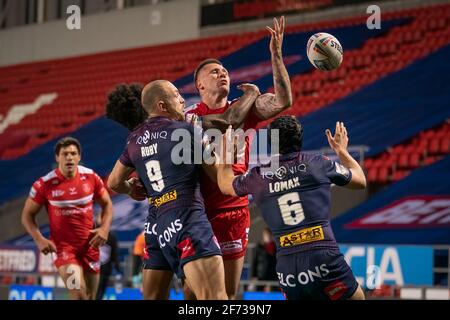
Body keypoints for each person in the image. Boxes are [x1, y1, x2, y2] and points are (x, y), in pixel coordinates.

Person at [105, 82, 259, 299]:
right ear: (162, 105)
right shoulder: (186, 131)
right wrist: (227, 158)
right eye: (176, 95)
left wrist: (131, 189)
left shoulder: (133, 140)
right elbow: (220, 179)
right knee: (216, 297)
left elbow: (113, 182)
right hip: (187, 218)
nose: (183, 100)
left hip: (156, 226)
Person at [185, 16, 293, 299]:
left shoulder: (243, 108)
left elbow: (284, 101)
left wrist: (276, 56)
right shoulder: (190, 116)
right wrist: (252, 95)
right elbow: (227, 120)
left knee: (229, 292)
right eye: (214, 72)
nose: (222, 74)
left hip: (234, 209)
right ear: (199, 85)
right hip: (199, 212)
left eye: (224, 71)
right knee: (193, 292)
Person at [217, 118, 366, 300]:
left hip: (288, 268)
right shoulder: (318, 163)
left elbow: (225, 185)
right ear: (300, 138)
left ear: (272, 142)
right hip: (322, 257)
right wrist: (341, 151)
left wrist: (225, 157)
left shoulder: (258, 176)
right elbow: (360, 181)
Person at [21, 137, 113, 300]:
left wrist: (104, 229)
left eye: (73, 153)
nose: (69, 157)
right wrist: (39, 239)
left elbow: (107, 204)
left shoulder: (91, 177)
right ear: (57, 157)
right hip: (63, 249)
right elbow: (27, 216)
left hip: (90, 246)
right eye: (65, 154)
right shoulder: (44, 184)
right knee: (78, 294)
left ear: (79, 157)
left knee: (91, 296)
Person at [96, 223, 122, 300]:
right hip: (94, 268)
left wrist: (117, 268)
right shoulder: (92, 235)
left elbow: (114, 254)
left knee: (101, 290)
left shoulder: (111, 237)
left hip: (105, 269)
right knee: (95, 291)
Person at [250, 227, 277, 292]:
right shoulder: (259, 247)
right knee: (260, 293)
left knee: (274, 293)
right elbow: (254, 262)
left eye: (270, 235)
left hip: (274, 276)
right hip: (261, 276)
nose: (268, 237)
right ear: (264, 236)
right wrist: (253, 276)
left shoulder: (277, 248)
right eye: (266, 236)